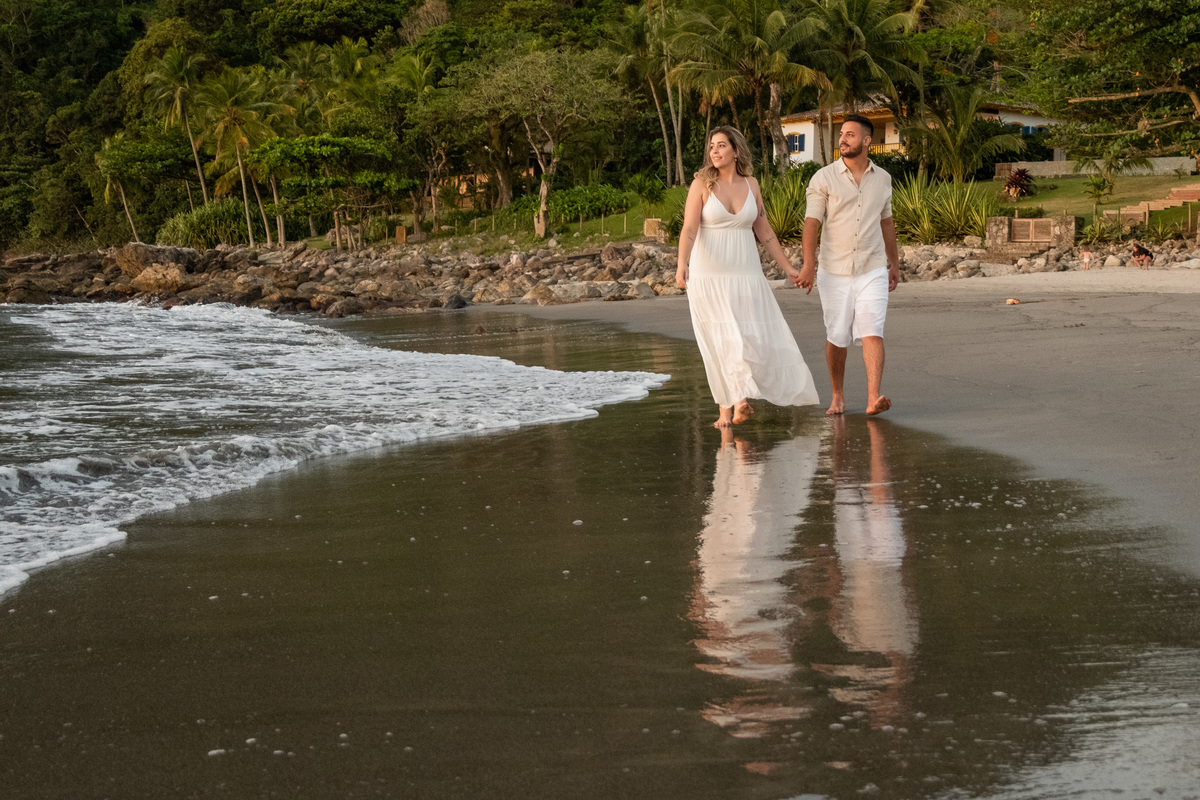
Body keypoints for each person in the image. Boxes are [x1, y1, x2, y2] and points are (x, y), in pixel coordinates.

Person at [675, 126, 820, 428]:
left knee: (746, 336)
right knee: (721, 337)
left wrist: (788, 268)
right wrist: (682, 263)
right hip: (709, 275)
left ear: (736, 151)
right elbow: (689, 228)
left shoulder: (751, 184)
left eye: (721, 146)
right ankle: (733, 405)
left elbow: (765, 233)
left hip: (746, 274)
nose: (714, 151)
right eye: (711, 146)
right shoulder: (701, 184)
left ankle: (733, 406)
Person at [797, 114, 901, 416]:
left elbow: (887, 222)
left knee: (873, 330)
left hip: (872, 269)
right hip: (834, 271)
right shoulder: (823, 178)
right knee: (838, 336)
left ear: (867, 141)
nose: (843, 139)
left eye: (850, 135)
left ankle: (873, 398)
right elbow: (812, 223)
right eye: (842, 134)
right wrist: (808, 266)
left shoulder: (883, 179)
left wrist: (893, 264)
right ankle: (838, 396)